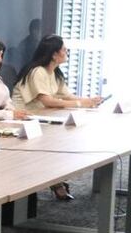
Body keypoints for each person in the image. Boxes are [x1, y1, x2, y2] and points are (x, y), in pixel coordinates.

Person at [11, 36, 102, 201]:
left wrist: (88, 101)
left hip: (44, 118)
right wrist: (81, 104)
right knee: (57, 142)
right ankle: (54, 181)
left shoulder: (55, 72)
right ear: (54, 54)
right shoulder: (37, 71)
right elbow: (47, 100)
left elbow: (66, 95)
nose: (67, 52)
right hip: (26, 120)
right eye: (64, 50)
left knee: (66, 138)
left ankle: (56, 180)